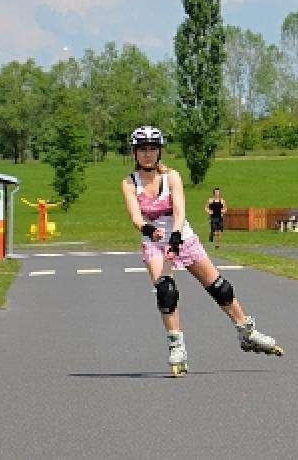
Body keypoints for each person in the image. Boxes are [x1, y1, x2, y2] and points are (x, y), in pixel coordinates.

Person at [120, 126, 283, 377]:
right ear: (135, 152)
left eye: (152, 149)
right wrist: (149, 230)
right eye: (142, 149)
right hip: (154, 241)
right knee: (165, 291)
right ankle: (176, 346)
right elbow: (135, 217)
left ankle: (246, 331)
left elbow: (179, 209)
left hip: (181, 236)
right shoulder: (130, 183)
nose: (148, 154)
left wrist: (176, 236)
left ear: (160, 151)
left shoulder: (172, 177)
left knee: (220, 287)